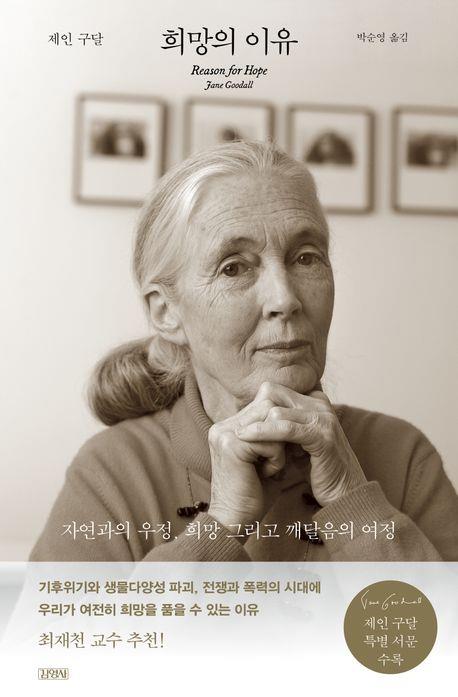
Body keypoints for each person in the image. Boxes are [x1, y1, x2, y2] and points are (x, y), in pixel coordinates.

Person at [29, 140, 458, 562]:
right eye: (233, 268)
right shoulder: (111, 470)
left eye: (306, 258)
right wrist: (222, 525)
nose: (284, 299)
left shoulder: (402, 456)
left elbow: (426, 616)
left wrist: (352, 501)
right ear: (166, 312)